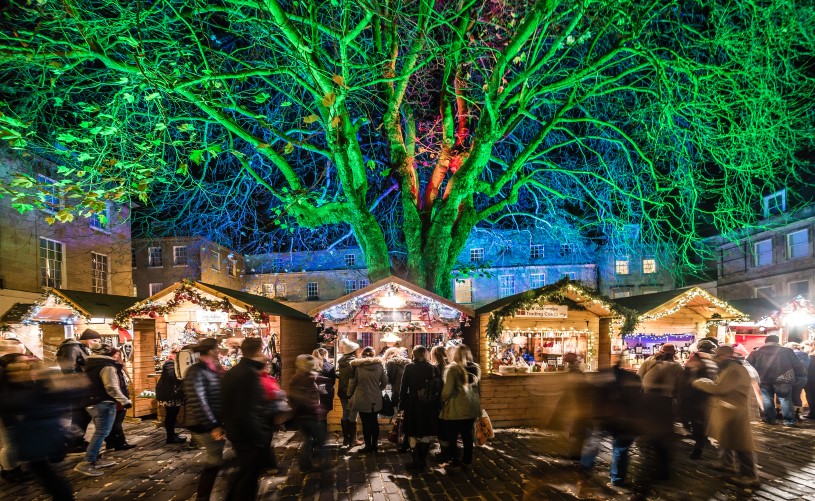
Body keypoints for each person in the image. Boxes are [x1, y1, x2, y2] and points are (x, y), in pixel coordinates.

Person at [2, 354, 80, 500]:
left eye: (25, 363)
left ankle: (64, 497)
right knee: (42, 468)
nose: (22, 366)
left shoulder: (36, 383)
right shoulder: (27, 383)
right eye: (19, 362)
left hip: (40, 433)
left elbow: (18, 403)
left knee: (43, 470)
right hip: (37, 433)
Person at [693, 345, 760, 487]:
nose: (715, 359)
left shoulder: (734, 369)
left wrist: (701, 382)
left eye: (717, 356)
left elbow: (720, 388)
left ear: (724, 355)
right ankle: (727, 463)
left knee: (741, 443)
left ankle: (750, 476)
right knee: (727, 438)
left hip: (734, 411)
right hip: (728, 409)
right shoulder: (729, 368)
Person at [222, 337, 276, 500]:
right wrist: (259, 438)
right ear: (259, 350)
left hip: (239, 432)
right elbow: (246, 411)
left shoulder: (237, 371)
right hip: (248, 435)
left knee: (245, 473)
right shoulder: (247, 374)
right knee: (248, 477)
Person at [578, 363, 642, 490]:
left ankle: (585, 471)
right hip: (624, 419)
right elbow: (637, 401)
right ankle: (617, 480)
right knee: (620, 449)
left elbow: (594, 400)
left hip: (603, 417)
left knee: (593, 443)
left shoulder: (600, 378)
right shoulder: (632, 379)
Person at [74, 344, 132, 477]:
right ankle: (87, 462)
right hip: (103, 402)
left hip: (91, 401)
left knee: (99, 431)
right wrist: (124, 400)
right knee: (102, 432)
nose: (117, 356)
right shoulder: (107, 366)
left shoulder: (90, 365)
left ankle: (96, 458)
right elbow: (111, 387)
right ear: (110, 354)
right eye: (116, 353)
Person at [183, 338, 225, 501]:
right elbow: (198, 400)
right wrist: (213, 425)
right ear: (210, 351)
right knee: (214, 460)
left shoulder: (212, 368)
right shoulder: (196, 371)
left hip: (215, 421)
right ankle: (202, 496)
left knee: (217, 457)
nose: (219, 351)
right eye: (217, 348)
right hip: (203, 424)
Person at [638, 344, 682, 481]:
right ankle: (662, 468)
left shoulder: (648, 362)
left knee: (648, 433)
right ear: (674, 353)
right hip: (665, 402)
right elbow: (680, 386)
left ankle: (650, 463)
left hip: (647, 400)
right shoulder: (677, 367)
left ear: (660, 352)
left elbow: (638, 379)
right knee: (663, 434)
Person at [56, 328, 100, 452]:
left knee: (83, 415)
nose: (96, 343)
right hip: (77, 387)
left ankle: (77, 440)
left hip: (79, 386)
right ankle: (73, 443)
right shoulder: (72, 347)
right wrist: (81, 382)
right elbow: (69, 368)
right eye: (95, 340)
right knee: (80, 415)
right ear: (87, 339)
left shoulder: (78, 347)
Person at [747, 334, 806, 426]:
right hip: (784, 379)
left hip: (764, 379)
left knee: (767, 399)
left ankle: (770, 419)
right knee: (785, 399)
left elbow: (749, 365)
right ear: (777, 341)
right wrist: (800, 376)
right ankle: (789, 421)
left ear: (765, 341)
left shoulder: (756, 352)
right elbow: (797, 365)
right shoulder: (787, 351)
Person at [439, 344, 481, 470]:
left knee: (452, 436)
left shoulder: (452, 369)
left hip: (456, 408)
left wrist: (442, 399)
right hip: (471, 407)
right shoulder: (476, 368)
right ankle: (467, 461)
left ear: (455, 354)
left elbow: (447, 391)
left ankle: (455, 461)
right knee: (467, 436)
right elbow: (479, 390)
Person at [399, 345, 440, 473]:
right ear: (425, 354)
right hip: (428, 403)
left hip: (412, 402)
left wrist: (402, 404)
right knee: (425, 431)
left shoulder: (409, 367)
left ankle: (416, 460)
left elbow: (403, 387)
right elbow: (437, 387)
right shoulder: (432, 368)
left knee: (412, 431)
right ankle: (423, 459)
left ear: (414, 354)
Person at [288, 355, 328, 472]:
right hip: (311, 415)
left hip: (300, 415)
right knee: (321, 439)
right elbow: (310, 398)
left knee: (308, 439)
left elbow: (293, 396)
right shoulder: (310, 378)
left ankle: (305, 465)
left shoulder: (295, 378)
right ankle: (324, 463)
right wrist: (316, 408)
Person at [680, 339, 719, 459]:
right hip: (709, 393)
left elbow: (687, 376)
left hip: (695, 393)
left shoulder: (696, 357)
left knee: (696, 419)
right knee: (701, 419)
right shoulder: (714, 360)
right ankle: (702, 439)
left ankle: (698, 446)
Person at [347, 346, 387, 453]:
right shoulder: (379, 366)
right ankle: (375, 445)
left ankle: (368, 445)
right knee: (374, 421)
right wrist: (379, 389)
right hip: (375, 397)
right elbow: (384, 381)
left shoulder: (358, 367)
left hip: (362, 397)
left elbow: (353, 382)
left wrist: (349, 394)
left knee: (365, 422)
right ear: (373, 355)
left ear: (362, 354)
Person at [0, 339, 28, 482]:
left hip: (14, 410)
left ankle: (15, 467)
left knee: (14, 442)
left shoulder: (12, 369)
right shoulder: (4, 370)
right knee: (9, 443)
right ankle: (8, 470)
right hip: (6, 412)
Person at [103, 348, 135, 451]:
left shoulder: (118, 366)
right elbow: (115, 385)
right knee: (117, 421)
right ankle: (120, 443)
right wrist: (123, 398)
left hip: (120, 395)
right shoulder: (112, 367)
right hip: (117, 397)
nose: (116, 357)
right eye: (114, 355)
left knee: (115, 421)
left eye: (118, 355)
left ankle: (112, 442)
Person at [155, 347, 187, 445]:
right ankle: (170, 437)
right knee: (171, 415)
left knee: (172, 415)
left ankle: (172, 434)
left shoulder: (174, 362)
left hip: (172, 393)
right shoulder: (170, 362)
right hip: (170, 394)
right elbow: (171, 376)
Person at [383, 347, 411, 451]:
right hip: (408, 393)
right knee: (406, 417)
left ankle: (399, 437)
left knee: (398, 417)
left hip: (398, 392)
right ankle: (406, 439)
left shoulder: (390, 363)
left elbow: (389, 379)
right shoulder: (408, 362)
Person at [337, 338, 361, 447]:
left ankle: (345, 439)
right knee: (353, 415)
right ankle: (353, 440)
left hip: (342, 391)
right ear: (353, 351)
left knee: (345, 413)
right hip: (353, 392)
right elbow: (356, 378)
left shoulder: (341, 361)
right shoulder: (354, 363)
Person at [787, 342, 809, 421]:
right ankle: (797, 414)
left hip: (794, 377)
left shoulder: (792, 355)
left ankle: (790, 414)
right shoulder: (805, 355)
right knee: (797, 396)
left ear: (791, 347)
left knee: (789, 397)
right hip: (803, 378)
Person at [311, 348, 337, 416]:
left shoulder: (310, 365)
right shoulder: (330, 366)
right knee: (324, 414)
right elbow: (333, 381)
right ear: (325, 355)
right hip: (326, 392)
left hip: (312, 393)